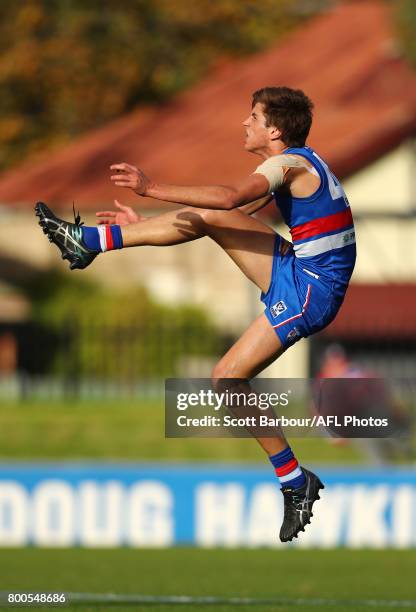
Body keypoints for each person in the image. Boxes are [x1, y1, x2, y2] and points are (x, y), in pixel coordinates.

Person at [35, 86, 356, 542]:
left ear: (275, 129)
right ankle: (90, 242)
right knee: (202, 216)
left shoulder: (287, 163)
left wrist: (151, 187)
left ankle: (295, 481)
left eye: (253, 116)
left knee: (226, 378)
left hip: (311, 289)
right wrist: (142, 227)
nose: (244, 124)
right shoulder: (298, 162)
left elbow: (227, 198)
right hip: (301, 269)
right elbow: (228, 210)